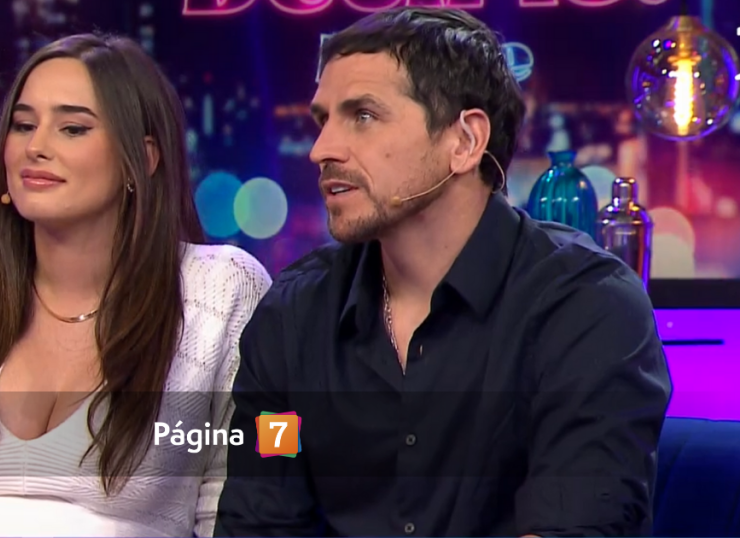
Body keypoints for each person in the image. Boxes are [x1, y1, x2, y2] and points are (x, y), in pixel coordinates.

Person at [215, 7, 672, 537]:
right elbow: (260, 523)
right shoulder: (293, 317)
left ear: (465, 141)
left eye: (363, 116)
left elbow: (574, 528)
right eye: (323, 121)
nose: (322, 150)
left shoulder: (586, 308)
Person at [0, 33, 271, 538]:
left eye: (72, 128)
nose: (35, 147)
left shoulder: (220, 289)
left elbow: (247, 490)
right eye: (23, 125)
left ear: (143, 157)